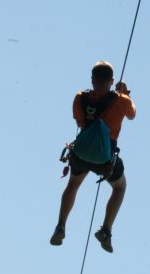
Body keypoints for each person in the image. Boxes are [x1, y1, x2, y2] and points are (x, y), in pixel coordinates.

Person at [50, 61, 136, 252]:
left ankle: (61, 226)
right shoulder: (121, 101)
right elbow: (132, 115)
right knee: (120, 187)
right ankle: (106, 230)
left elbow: (79, 121)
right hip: (105, 160)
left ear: (92, 79)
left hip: (81, 153)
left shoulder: (80, 97)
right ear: (111, 81)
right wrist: (126, 94)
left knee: (73, 184)